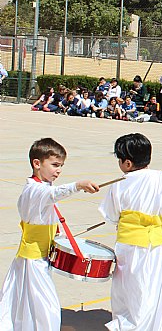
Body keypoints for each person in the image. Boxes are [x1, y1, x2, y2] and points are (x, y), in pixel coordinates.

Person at [0, 138, 99, 329]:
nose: (59, 170)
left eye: (61, 166)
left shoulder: (42, 186)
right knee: (46, 307)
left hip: (37, 257)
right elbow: (52, 195)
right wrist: (78, 185)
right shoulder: (34, 190)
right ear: (37, 164)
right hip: (33, 260)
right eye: (54, 165)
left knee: (27, 304)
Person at [99, 133, 162, 330]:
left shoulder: (119, 183)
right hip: (153, 248)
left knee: (125, 295)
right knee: (151, 297)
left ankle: (123, 325)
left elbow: (111, 216)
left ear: (128, 163)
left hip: (125, 247)